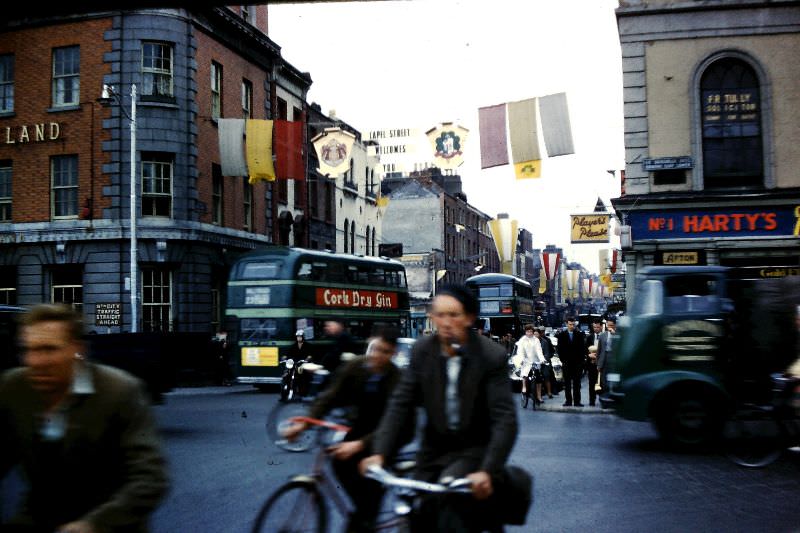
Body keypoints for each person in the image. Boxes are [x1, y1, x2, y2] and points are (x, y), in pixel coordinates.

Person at [360, 284, 519, 533]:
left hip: (474, 450)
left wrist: (488, 470)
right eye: (440, 315)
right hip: (432, 450)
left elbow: (504, 419)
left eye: (454, 315)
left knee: (449, 509)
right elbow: (400, 403)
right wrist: (379, 452)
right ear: (432, 317)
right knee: (416, 515)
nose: (445, 323)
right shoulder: (423, 350)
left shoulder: (491, 356)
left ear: (469, 318)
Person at [0, 303, 169, 533]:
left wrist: (93, 525)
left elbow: (150, 478)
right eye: (29, 350)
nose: (36, 362)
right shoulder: (13, 387)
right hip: (38, 518)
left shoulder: (120, 391)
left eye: (49, 349)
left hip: (110, 523)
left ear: (77, 350)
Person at [281, 327, 411, 533]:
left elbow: (397, 426)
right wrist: (304, 423)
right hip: (359, 431)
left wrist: (360, 445)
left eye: (385, 352)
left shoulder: (398, 380)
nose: (377, 356)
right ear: (370, 344)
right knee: (340, 463)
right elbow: (330, 397)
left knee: (369, 493)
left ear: (393, 353)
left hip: (387, 440)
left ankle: (365, 517)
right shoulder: (355, 367)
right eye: (376, 349)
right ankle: (362, 514)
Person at [555, 317, 586, 407]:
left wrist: (581, 361)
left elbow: (582, 349)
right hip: (566, 363)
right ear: (566, 324)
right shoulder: (561, 335)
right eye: (570, 324)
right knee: (567, 383)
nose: (571, 326)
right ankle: (568, 401)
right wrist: (563, 360)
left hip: (577, 363)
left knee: (577, 383)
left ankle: (577, 401)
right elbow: (559, 349)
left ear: (575, 325)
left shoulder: (579, 335)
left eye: (573, 324)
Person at [515, 324, 544, 407]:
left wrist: (542, 359)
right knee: (525, 374)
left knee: (538, 378)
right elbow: (520, 351)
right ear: (525, 332)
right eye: (528, 331)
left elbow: (539, 350)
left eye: (531, 331)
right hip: (526, 361)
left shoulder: (536, 340)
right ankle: (524, 387)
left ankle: (538, 395)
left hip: (535, 361)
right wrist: (522, 359)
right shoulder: (522, 340)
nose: (530, 333)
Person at [287, 329, 315, 396]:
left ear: (303, 337)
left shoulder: (308, 345)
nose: (299, 338)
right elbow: (289, 354)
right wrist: (285, 357)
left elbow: (310, 354)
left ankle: (303, 392)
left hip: (303, 363)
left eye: (300, 336)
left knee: (303, 376)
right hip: (295, 363)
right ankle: (287, 390)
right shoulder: (294, 346)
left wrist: (308, 358)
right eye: (297, 336)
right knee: (288, 373)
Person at [584, 319, 603, 407]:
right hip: (591, 364)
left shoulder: (604, 336)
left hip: (602, 364)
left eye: (597, 327)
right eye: (594, 327)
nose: (596, 329)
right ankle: (592, 401)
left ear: (601, 327)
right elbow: (584, 349)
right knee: (592, 383)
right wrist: (589, 354)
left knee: (602, 383)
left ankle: (603, 400)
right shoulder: (589, 337)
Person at [597, 317, 616, 394]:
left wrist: (614, 334)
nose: (609, 327)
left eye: (611, 325)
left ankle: (612, 395)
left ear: (615, 325)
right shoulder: (602, 335)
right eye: (608, 325)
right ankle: (605, 396)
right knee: (604, 380)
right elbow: (599, 349)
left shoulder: (618, 334)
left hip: (614, 359)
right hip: (604, 358)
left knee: (613, 379)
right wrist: (598, 363)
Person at [534, 328, 554, 399]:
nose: (535, 335)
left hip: (543, 361)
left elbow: (546, 353)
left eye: (537, 334)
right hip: (534, 362)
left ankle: (549, 392)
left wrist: (542, 360)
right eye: (534, 334)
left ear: (539, 334)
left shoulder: (544, 342)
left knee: (546, 375)